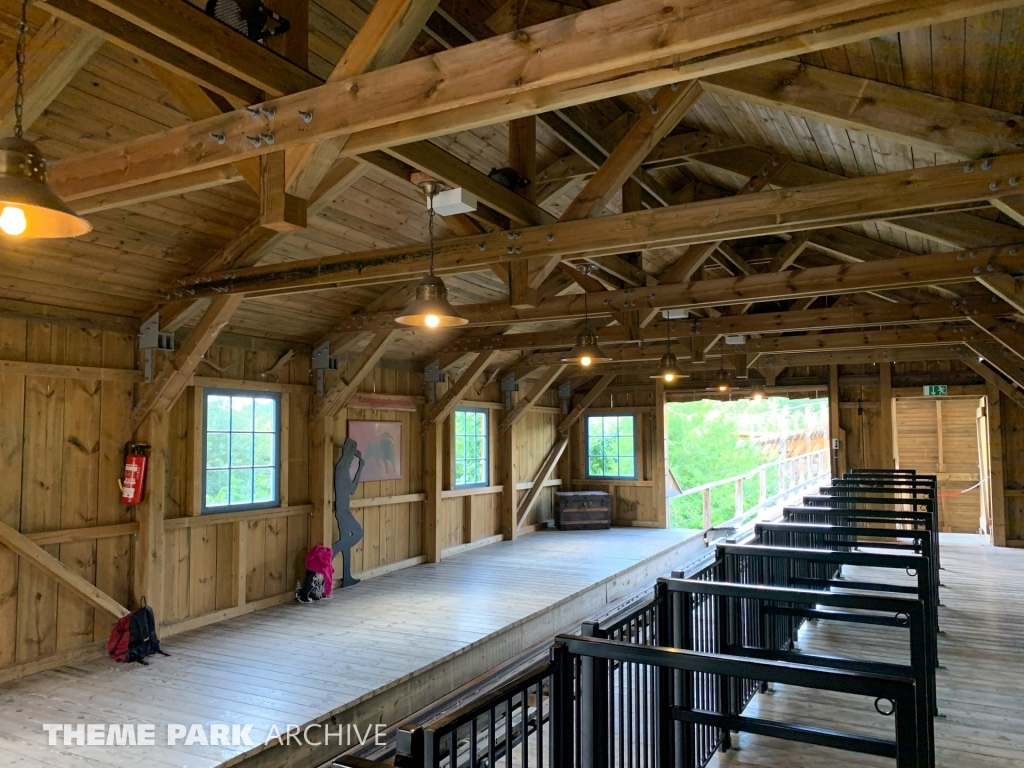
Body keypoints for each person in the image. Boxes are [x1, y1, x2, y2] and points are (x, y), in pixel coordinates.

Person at [333, 438, 365, 587]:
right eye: (352, 455)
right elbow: (351, 489)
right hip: (342, 510)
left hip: (343, 509)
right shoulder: (341, 468)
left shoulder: (343, 467)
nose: (353, 458)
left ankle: (347, 577)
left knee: (346, 545)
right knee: (358, 532)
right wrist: (360, 469)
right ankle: (332, 551)